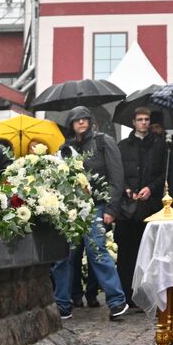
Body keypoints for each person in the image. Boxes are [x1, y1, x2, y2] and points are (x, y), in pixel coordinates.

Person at [52, 108, 131, 321]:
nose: (80, 122)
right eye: (76, 120)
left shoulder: (103, 141)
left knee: (97, 251)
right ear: (70, 124)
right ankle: (62, 305)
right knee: (63, 257)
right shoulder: (65, 148)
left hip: (96, 206)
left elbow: (117, 176)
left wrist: (111, 209)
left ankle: (116, 302)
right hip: (70, 209)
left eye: (84, 118)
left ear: (90, 120)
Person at [115, 108, 166, 293]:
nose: (144, 122)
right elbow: (117, 173)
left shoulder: (159, 145)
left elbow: (163, 174)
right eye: (140, 119)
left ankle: (149, 293)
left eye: (146, 119)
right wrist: (127, 189)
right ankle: (126, 294)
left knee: (150, 251)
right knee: (127, 253)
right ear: (134, 122)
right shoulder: (122, 146)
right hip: (128, 209)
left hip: (150, 207)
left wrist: (150, 189)